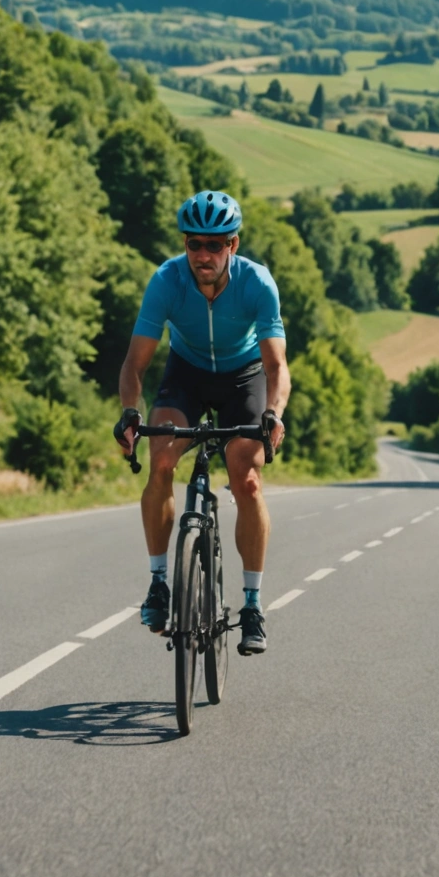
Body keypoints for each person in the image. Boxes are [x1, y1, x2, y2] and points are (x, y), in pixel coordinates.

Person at [113, 191, 290, 655]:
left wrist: (274, 413)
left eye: (215, 245)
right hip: (187, 374)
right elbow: (135, 364)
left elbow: (276, 367)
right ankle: (158, 583)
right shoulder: (167, 281)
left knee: (246, 480)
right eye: (195, 244)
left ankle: (251, 604)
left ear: (233, 244)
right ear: (185, 245)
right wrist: (130, 412)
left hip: (243, 377)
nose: (204, 255)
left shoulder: (257, 283)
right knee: (161, 463)